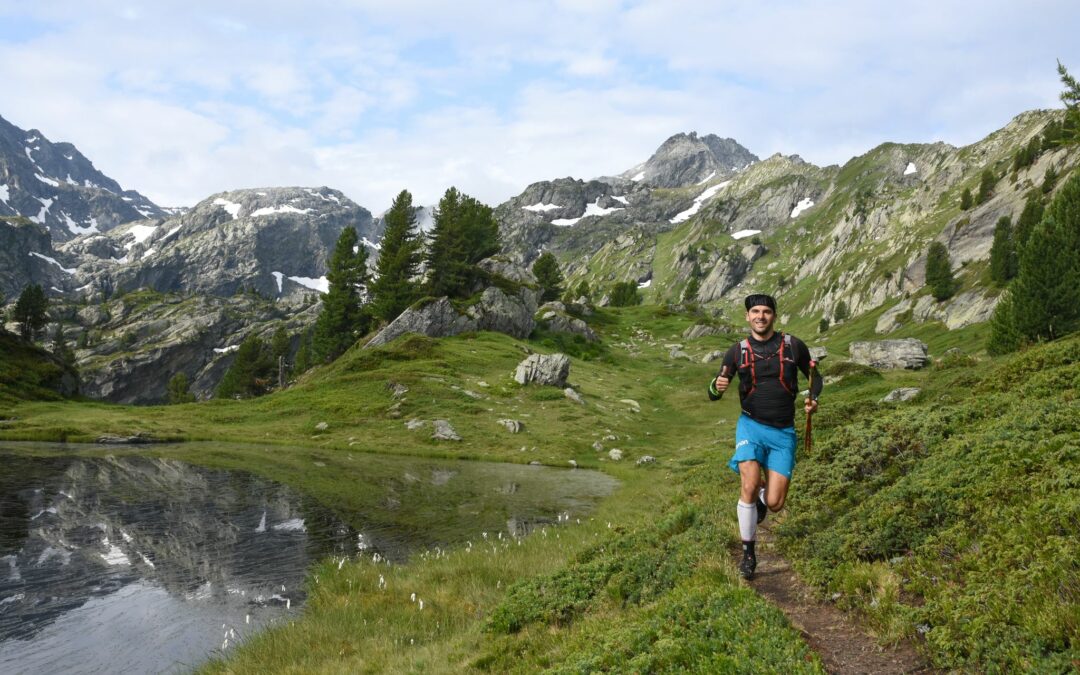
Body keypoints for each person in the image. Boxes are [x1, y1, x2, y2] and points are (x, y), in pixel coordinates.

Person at [708, 293, 822, 580]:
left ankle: (762, 496)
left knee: (775, 503)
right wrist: (716, 386)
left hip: (783, 432)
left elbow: (815, 377)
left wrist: (814, 398)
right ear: (747, 316)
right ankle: (749, 554)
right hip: (750, 426)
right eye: (755, 311)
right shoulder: (737, 352)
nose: (761, 316)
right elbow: (714, 391)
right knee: (747, 482)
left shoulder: (793, 345)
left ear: (774, 316)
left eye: (766, 312)